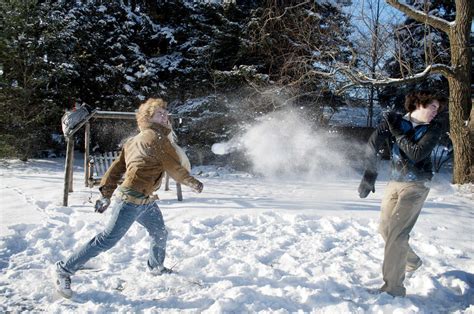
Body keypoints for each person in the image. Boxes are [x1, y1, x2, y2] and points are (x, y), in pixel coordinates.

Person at [54, 98, 204, 298]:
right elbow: (171, 165)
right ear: (148, 118)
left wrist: (106, 194)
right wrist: (190, 181)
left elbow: (115, 169)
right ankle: (63, 269)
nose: (165, 116)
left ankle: (156, 267)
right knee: (106, 240)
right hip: (130, 200)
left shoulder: (135, 140)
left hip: (146, 201)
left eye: (165, 113)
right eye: (159, 114)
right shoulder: (155, 138)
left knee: (159, 232)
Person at [358, 90, 446, 297]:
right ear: (418, 104)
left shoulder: (433, 128)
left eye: (438, 108)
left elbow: (416, 153)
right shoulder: (396, 121)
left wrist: (396, 132)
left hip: (417, 185)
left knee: (397, 235)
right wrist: (369, 175)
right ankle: (412, 261)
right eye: (432, 106)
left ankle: (393, 289)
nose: (436, 111)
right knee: (385, 229)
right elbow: (372, 145)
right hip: (395, 182)